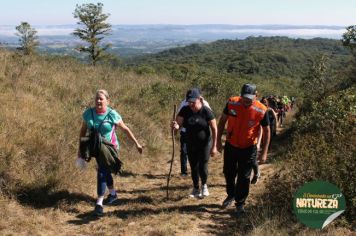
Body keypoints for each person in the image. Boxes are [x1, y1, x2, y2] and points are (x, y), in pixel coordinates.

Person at [78, 89, 143, 216]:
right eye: (96, 98)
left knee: (102, 171)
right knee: (105, 171)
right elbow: (82, 132)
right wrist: (80, 150)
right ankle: (113, 194)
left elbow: (125, 129)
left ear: (108, 101)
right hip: (96, 149)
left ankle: (99, 203)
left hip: (110, 148)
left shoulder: (112, 114)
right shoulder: (88, 114)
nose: (98, 101)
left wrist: (137, 143)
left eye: (101, 99)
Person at [217, 83, 270, 216]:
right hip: (231, 144)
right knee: (228, 172)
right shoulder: (232, 102)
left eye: (249, 98)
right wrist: (217, 141)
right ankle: (231, 195)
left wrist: (264, 152)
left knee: (244, 176)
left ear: (256, 96)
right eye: (244, 98)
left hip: (249, 147)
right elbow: (222, 121)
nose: (246, 101)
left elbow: (267, 131)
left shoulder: (262, 109)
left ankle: (240, 204)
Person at [172, 88, 217, 198]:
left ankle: (204, 186)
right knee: (194, 166)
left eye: (193, 102)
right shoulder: (185, 110)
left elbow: (214, 128)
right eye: (189, 101)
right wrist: (176, 126)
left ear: (199, 99)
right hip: (191, 142)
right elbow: (178, 124)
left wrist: (214, 146)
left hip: (205, 143)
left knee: (203, 165)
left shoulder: (206, 111)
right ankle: (196, 188)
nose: (191, 104)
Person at [177, 90, 212, 176]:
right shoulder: (183, 104)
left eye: (192, 100)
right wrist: (177, 126)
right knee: (184, 151)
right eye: (188, 99)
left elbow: (210, 117)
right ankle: (184, 171)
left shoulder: (205, 104)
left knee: (200, 153)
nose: (190, 102)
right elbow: (179, 118)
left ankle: (200, 171)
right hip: (185, 132)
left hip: (200, 133)